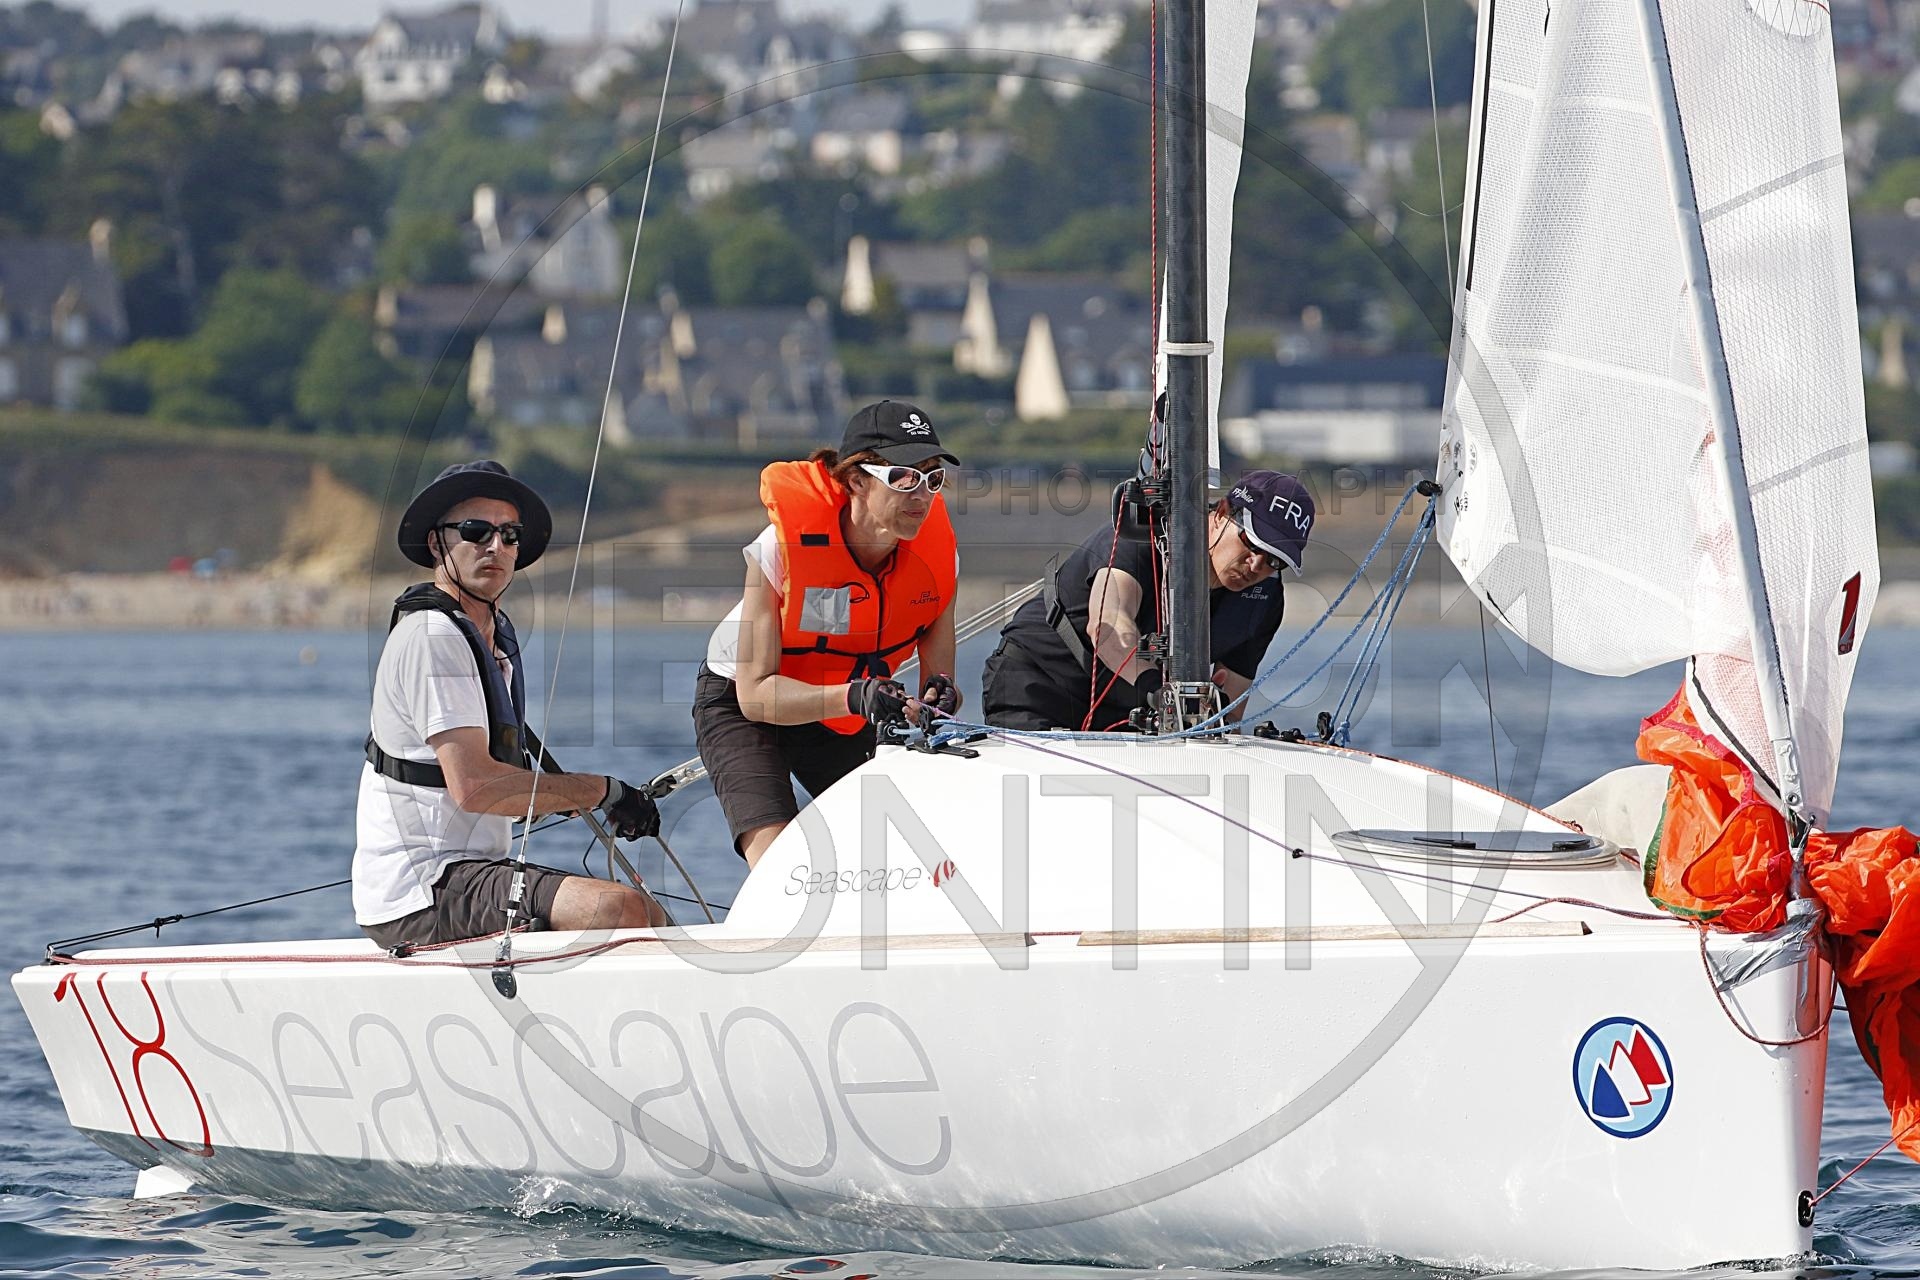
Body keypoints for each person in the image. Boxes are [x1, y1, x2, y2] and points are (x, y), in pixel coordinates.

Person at [354, 460, 671, 950]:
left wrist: (576, 798)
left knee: (646, 910)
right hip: (422, 890)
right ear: (437, 543)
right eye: (475, 531)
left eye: (510, 534)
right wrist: (604, 791)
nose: (495, 546)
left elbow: (503, 786)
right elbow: (477, 788)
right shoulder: (433, 637)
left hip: (473, 873)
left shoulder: (492, 638)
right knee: (623, 909)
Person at [695, 401, 963, 869]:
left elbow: (940, 681)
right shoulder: (777, 549)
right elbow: (755, 696)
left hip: (846, 706)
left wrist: (940, 696)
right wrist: (856, 696)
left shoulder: (941, 561)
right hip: (743, 702)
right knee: (777, 862)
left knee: (904, 849)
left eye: (932, 478)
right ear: (856, 480)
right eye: (904, 478)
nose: (921, 495)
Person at [982, 469, 1316, 732]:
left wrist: (1213, 718)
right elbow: (1108, 627)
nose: (1257, 565)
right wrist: (1160, 692)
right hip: (1040, 683)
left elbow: (1230, 710)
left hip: (1129, 709)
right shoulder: (1146, 536)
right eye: (1252, 544)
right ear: (1222, 513)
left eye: (1275, 560)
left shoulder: (1264, 598)